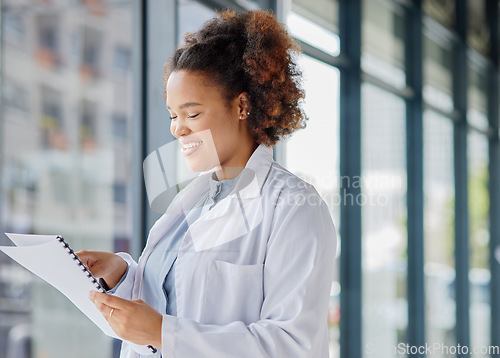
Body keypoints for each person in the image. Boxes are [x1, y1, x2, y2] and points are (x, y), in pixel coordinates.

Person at [78, 9, 337, 358]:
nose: (177, 128)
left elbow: (291, 345)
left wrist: (162, 332)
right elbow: (174, 298)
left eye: (192, 114)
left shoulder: (293, 207)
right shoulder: (193, 201)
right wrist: (123, 275)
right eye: (173, 115)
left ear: (242, 105)